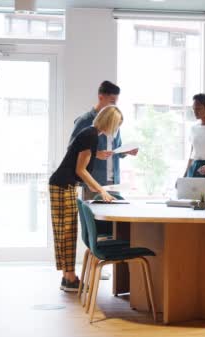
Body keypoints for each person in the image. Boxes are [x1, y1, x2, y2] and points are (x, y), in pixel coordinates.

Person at [49, 106, 123, 292]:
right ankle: (70, 277)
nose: (116, 129)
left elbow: (77, 157)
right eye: (117, 124)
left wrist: (96, 156)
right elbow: (79, 169)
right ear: (110, 122)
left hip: (64, 184)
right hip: (63, 185)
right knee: (66, 232)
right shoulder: (91, 135)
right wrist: (101, 190)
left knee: (67, 232)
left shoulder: (90, 134)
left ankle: (67, 277)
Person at [70, 81, 137, 199]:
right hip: (93, 183)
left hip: (114, 183)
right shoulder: (84, 121)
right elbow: (72, 149)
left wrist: (126, 151)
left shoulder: (114, 119)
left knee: (114, 217)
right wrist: (96, 154)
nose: (114, 106)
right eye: (112, 101)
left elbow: (116, 149)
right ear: (100, 97)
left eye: (116, 102)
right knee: (94, 216)